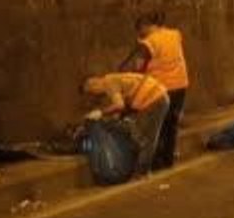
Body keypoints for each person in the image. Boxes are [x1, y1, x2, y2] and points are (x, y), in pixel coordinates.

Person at [120, 12, 190, 169]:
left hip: (161, 89)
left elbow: (138, 67)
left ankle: (156, 161)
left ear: (145, 26)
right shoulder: (175, 34)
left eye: (139, 30)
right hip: (181, 84)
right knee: (172, 123)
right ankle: (168, 159)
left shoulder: (148, 42)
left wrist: (140, 45)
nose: (139, 33)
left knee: (157, 125)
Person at [81, 72, 170, 178]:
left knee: (145, 137)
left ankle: (142, 172)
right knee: (144, 135)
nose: (95, 95)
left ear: (93, 84)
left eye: (92, 92)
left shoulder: (108, 83)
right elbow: (123, 105)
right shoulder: (113, 78)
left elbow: (119, 105)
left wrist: (101, 112)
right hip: (157, 96)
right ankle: (143, 169)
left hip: (154, 99)